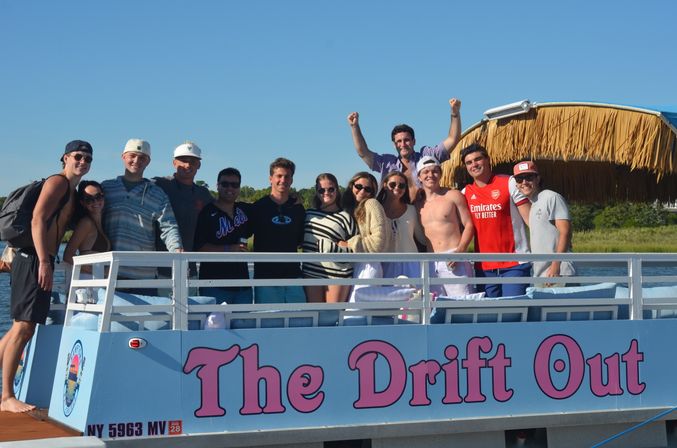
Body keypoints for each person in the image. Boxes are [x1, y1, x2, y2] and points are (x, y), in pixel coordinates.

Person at [0, 139, 92, 412]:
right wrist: (43, 261)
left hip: (38, 258)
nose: (83, 162)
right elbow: (37, 219)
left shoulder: (72, 194)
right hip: (32, 257)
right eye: (78, 156)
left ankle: (5, 394)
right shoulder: (58, 183)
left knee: (20, 328)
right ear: (65, 158)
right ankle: (6, 396)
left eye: (88, 158)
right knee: (24, 326)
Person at [102, 139, 182, 285]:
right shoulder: (106, 188)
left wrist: (177, 249)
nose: (136, 161)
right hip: (109, 271)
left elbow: (169, 226)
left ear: (148, 162)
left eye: (142, 158)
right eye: (132, 155)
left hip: (144, 274)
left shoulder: (158, 193)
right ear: (123, 157)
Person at [347, 98, 462, 201]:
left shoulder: (426, 157)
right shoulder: (386, 163)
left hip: (423, 213)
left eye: (407, 140)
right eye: (398, 141)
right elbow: (363, 152)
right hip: (394, 217)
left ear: (414, 141)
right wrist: (354, 127)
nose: (403, 144)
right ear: (394, 145)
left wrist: (455, 115)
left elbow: (453, 139)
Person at [461, 144, 531, 297]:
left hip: (515, 264)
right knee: (488, 316)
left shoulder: (509, 182)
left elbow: (530, 220)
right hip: (484, 268)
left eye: (478, 159)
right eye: (469, 162)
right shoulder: (465, 193)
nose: (474, 164)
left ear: (487, 160)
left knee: (513, 314)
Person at [415, 156, 475, 297]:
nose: (431, 175)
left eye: (435, 171)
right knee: (434, 307)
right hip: (430, 262)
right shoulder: (417, 205)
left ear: (441, 174)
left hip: (454, 257)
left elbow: (469, 225)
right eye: (426, 172)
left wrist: (459, 252)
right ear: (419, 177)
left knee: (462, 305)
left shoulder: (453, 195)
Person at [250, 158, 306, 303]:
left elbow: (302, 241)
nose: (283, 180)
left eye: (287, 176)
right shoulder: (258, 207)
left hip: (294, 277)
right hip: (266, 278)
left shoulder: (298, 208)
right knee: (269, 322)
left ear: (292, 180)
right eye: (279, 176)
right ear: (270, 179)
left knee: (299, 321)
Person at [194, 168, 254, 304]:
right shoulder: (207, 212)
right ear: (217, 185)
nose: (230, 188)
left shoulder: (244, 209)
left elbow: (269, 205)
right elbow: (199, 247)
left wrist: (292, 197)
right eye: (225, 184)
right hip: (214, 285)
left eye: (235, 185)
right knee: (215, 325)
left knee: (245, 324)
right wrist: (229, 249)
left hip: (242, 286)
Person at [513, 160, 575, 286]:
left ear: (538, 178)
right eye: (519, 179)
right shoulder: (533, 205)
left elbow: (566, 232)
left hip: (559, 273)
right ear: (516, 184)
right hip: (540, 275)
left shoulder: (551, 197)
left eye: (529, 177)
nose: (524, 182)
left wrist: (556, 265)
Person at [302, 173, 358, 303]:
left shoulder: (346, 217)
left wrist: (332, 248)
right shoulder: (309, 214)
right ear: (316, 192)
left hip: (337, 275)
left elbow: (356, 249)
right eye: (321, 190)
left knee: (331, 317)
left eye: (331, 189)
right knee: (314, 317)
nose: (326, 193)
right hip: (311, 273)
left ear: (337, 190)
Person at [338, 172, 393, 301]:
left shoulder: (372, 204)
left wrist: (349, 243)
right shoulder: (351, 208)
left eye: (368, 189)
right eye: (358, 186)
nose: (362, 191)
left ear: (372, 193)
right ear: (352, 186)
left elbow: (378, 241)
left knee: (357, 312)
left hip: (368, 265)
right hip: (354, 265)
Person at [154, 141, 213, 252]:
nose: (188, 165)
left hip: (189, 260)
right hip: (157, 261)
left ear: (199, 165)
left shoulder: (203, 194)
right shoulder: (159, 184)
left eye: (193, 161)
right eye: (183, 160)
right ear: (174, 163)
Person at [376, 170, 425, 279]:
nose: (397, 187)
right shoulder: (376, 210)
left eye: (401, 185)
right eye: (392, 184)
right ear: (384, 185)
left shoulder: (412, 210)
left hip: (411, 264)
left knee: (414, 296)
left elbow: (421, 238)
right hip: (383, 264)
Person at [63, 181, 111, 284]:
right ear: (82, 203)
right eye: (89, 199)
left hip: (97, 283)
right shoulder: (86, 223)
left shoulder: (101, 224)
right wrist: (98, 272)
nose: (95, 201)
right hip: (86, 282)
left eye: (98, 196)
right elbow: (68, 255)